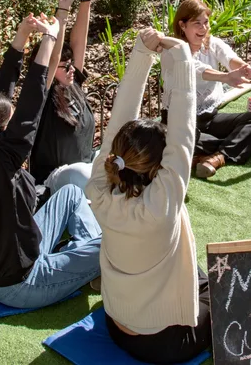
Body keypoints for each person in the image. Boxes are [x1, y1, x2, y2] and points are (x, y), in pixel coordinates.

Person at [0, 12, 102, 310]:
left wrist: (21, 37)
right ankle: (86, 262)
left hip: (26, 248)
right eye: (8, 119)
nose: (13, 116)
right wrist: (49, 39)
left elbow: (1, 93)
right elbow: (32, 102)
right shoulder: (1, 163)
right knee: (116, 247)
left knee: (71, 194)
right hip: (22, 282)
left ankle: (80, 259)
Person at [86, 29, 212, 364]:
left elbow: (118, 125)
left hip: (116, 324)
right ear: (156, 168)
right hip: (163, 344)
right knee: (226, 291)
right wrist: (183, 58)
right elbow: (184, 136)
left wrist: (142, 54)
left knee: (193, 268)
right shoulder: (161, 206)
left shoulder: (98, 190)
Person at [168, 0, 251, 179]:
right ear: (182, 25)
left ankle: (216, 158)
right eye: (196, 23)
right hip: (179, 121)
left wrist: (246, 68)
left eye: (205, 22)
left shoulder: (212, 43)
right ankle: (246, 145)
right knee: (186, 142)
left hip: (209, 117)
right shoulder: (173, 49)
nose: (203, 28)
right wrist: (225, 77)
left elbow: (230, 58)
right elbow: (195, 69)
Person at [29, 0, 97, 192]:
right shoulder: (42, 95)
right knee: (83, 175)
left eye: (70, 65)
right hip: (53, 179)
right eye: (63, 66)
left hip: (86, 167)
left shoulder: (72, 83)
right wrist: (63, 9)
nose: (70, 69)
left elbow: (78, 44)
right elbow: (52, 57)